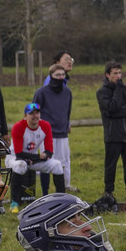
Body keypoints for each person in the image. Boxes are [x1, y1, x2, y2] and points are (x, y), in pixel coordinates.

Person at [95, 62, 126, 208]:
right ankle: (109, 191)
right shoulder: (102, 92)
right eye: (115, 73)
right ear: (107, 75)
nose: (118, 76)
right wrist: (118, 91)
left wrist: (117, 112)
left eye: (120, 73)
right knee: (111, 165)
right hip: (113, 135)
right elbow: (111, 107)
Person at [9, 103, 66, 206]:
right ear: (25, 116)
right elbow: (18, 153)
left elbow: (49, 151)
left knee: (57, 165)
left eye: (37, 113)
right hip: (14, 158)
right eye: (31, 113)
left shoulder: (45, 125)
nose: (35, 116)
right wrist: (39, 157)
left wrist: (37, 158)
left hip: (32, 159)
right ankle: (14, 203)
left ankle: (62, 201)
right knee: (20, 165)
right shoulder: (18, 127)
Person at [32, 63, 75, 197]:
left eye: (63, 75)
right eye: (57, 75)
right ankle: (45, 193)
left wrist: (67, 124)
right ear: (51, 76)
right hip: (46, 134)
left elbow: (68, 111)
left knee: (61, 164)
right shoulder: (41, 92)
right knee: (46, 163)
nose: (61, 77)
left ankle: (60, 194)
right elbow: (34, 111)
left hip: (62, 133)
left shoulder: (67, 92)